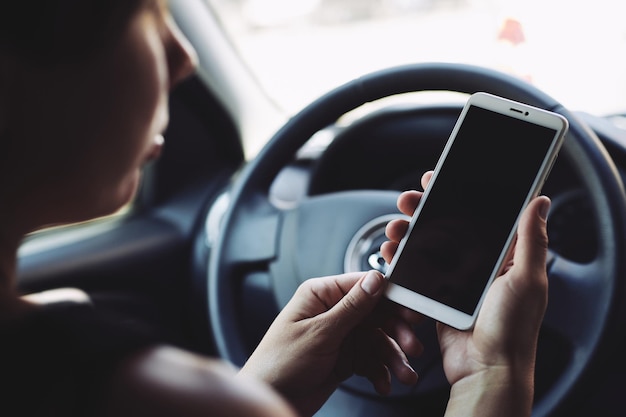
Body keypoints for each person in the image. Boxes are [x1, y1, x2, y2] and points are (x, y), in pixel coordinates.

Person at [0, 1, 550, 416]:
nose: (184, 56)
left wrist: (261, 389)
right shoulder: (135, 391)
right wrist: (491, 374)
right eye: (148, 11)